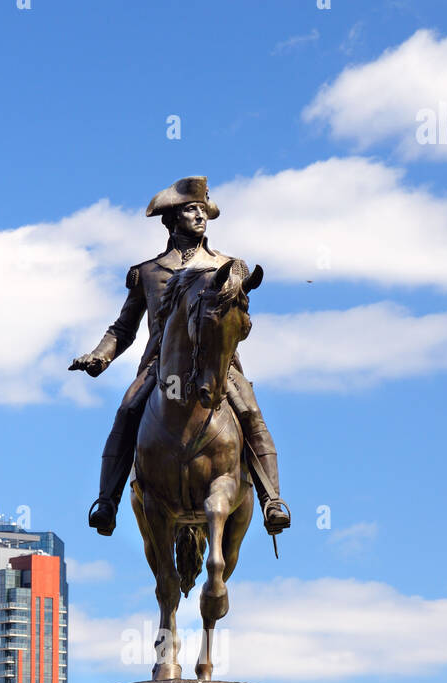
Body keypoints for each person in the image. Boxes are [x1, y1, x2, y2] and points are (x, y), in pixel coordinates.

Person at [70, 176, 290, 537]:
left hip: (217, 366)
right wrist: (99, 356)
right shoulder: (148, 272)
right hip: (162, 368)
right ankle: (107, 501)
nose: (200, 216)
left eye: (203, 210)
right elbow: (124, 328)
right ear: (172, 219)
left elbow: (239, 319)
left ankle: (271, 500)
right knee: (126, 412)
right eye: (191, 210)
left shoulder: (230, 265)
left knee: (251, 413)